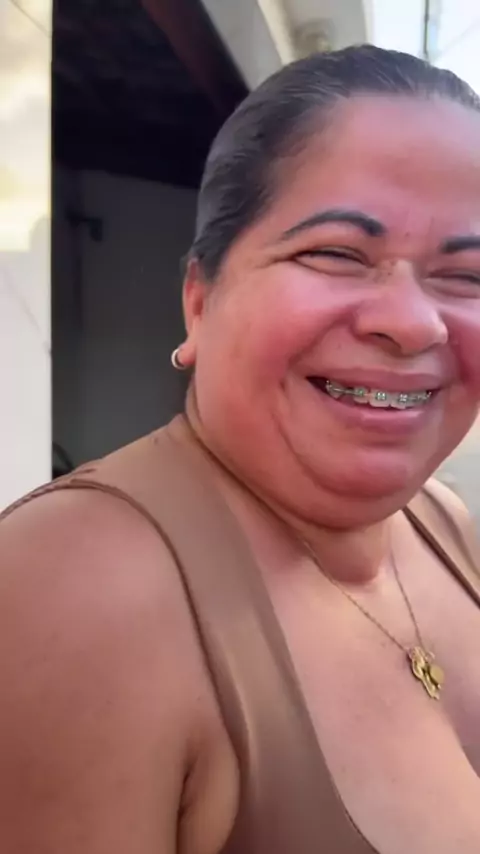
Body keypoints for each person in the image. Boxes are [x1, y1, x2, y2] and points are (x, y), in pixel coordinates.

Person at [1, 44, 480, 854]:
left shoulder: (441, 522)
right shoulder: (71, 592)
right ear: (199, 299)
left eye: (466, 276)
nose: (411, 323)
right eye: (335, 253)